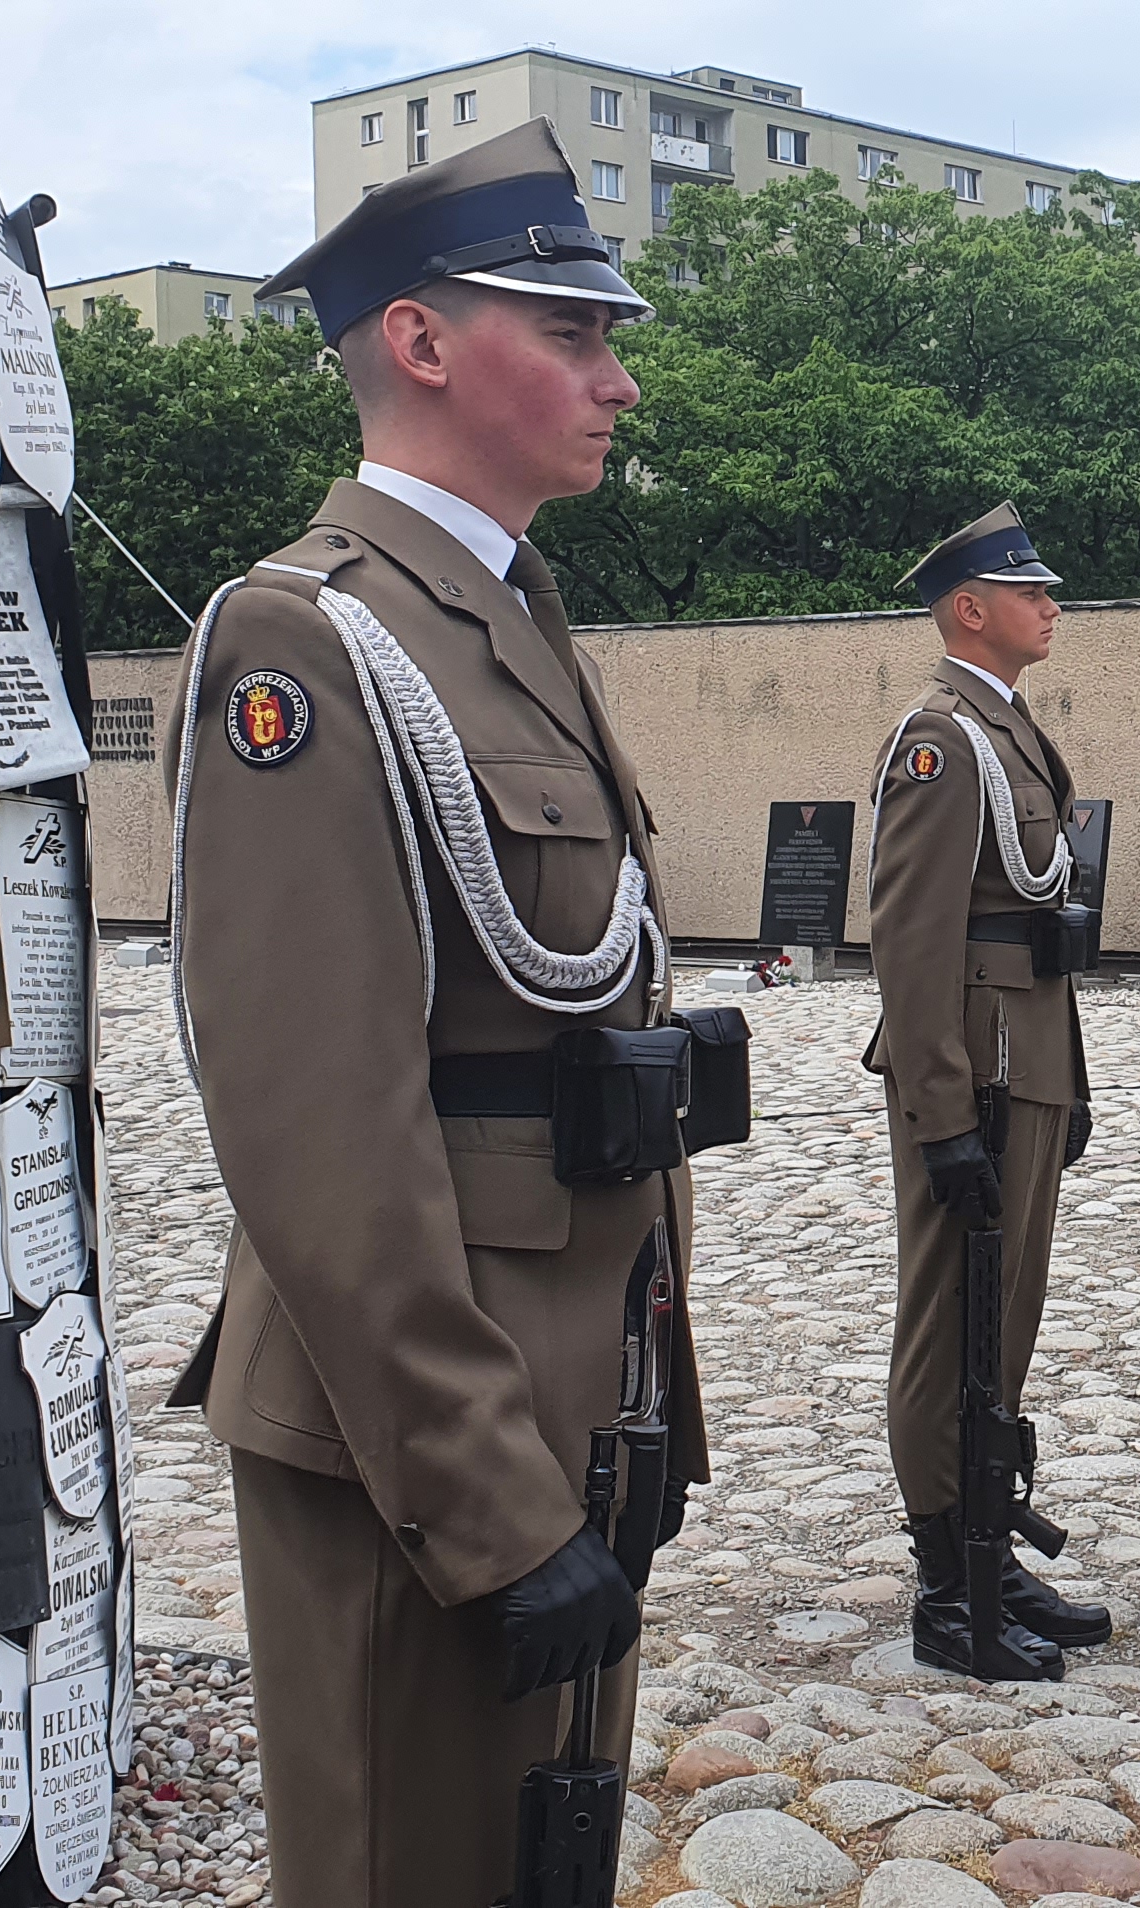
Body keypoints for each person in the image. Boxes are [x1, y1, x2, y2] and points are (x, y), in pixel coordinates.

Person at [161, 121, 704, 1908]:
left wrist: (650, 1377)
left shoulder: (504, 618)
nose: (617, 376)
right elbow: (315, 1119)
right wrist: (488, 1494)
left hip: (562, 1372)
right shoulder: (303, 640)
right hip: (423, 1420)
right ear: (418, 341)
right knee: (412, 1865)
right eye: (572, 332)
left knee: (531, 1854)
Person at [862, 502, 1113, 1680]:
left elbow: (1038, 925)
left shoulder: (1007, 732)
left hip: (1030, 1059)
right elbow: (911, 943)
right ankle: (943, 1578)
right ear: (972, 608)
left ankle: (988, 1545)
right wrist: (941, 1113)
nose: (1052, 606)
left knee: (1004, 1316)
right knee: (948, 1320)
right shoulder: (940, 738)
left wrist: (1075, 1078)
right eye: (1032, 591)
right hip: (973, 1070)